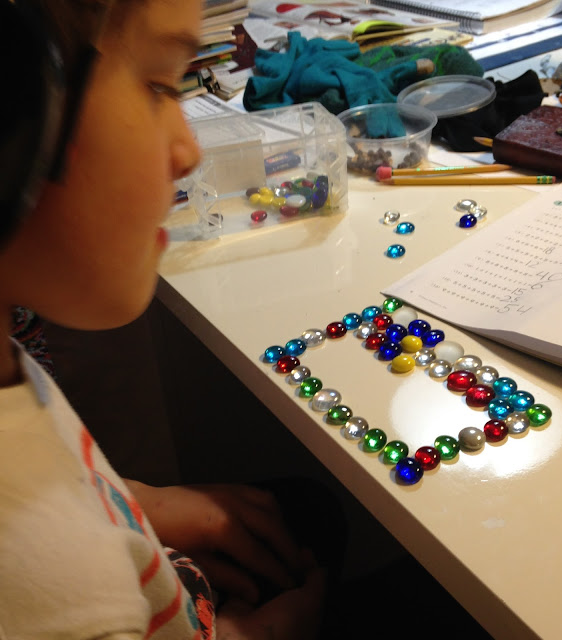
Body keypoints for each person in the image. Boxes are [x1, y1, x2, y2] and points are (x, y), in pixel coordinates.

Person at [0, 0, 326, 638]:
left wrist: (132, 503)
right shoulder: (62, 588)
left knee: (304, 510)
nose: (189, 151)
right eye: (158, 86)